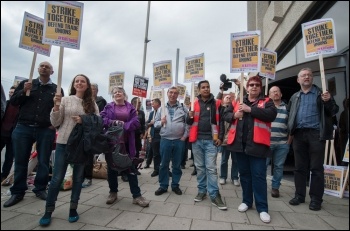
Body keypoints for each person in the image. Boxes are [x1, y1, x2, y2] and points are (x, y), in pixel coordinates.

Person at [38, 74, 99, 226]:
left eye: (83, 81)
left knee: (78, 178)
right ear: (73, 84)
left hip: (81, 145)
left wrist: (83, 119)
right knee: (57, 178)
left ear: (87, 85)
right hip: (64, 142)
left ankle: (73, 208)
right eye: (77, 81)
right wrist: (56, 106)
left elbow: (98, 123)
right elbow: (56, 122)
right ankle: (48, 210)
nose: (79, 83)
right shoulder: (65, 99)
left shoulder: (91, 103)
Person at [4, 61, 64, 208]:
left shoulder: (56, 89)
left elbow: (61, 109)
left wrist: (54, 124)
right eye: (41, 66)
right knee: (20, 161)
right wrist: (23, 91)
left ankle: (40, 188)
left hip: (45, 129)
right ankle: (17, 191)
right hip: (24, 127)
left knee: (43, 161)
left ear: (52, 72)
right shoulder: (27, 83)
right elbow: (13, 101)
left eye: (47, 67)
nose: (44, 68)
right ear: (37, 69)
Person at [223, 75, 277, 223]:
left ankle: (263, 208)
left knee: (259, 176)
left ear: (260, 88)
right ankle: (247, 201)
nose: (254, 87)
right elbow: (225, 115)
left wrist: (249, 110)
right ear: (247, 87)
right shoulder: (238, 100)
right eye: (251, 85)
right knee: (245, 175)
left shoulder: (267, 101)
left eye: (257, 85)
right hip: (240, 145)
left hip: (258, 146)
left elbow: (271, 115)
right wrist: (235, 114)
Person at [287, 67, 339, 211]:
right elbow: (290, 114)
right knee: (299, 167)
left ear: (313, 78)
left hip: (316, 134)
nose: (306, 77)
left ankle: (316, 199)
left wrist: (328, 102)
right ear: (298, 80)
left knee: (316, 168)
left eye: (309, 75)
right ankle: (299, 195)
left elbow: (334, 111)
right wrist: (290, 130)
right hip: (298, 134)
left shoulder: (322, 94)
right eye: (303, 75)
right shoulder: (295, 96)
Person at [100, 86, 149, 207]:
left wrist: (125, 125)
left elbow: (136, 123)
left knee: (131, 168)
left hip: (128, 143)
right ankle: (113, 192)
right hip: (112, 143)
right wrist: (113, 122)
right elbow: (101, 119)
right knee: (112, 168)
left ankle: (137, 195)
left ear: (124, 95)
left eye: (120, 92)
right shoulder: (108, 107)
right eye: (115, 92)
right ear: (113, 96)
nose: (117, 93)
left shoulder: (131, 108)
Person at [187, 80, 227, 210]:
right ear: (198, 90)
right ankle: (202, 191)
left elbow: (220, 121)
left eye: (207, 87)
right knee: (200, 167)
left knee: (211, 168)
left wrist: (220, 137)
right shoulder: (193, 104)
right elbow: (188, 122)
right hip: (197, 140)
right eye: (203, 87)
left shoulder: (217, 103)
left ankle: (214, 194)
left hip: (211, 140)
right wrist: (190, 116)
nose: (206, 89)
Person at [154, 86, 189, 196]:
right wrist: (161, 122)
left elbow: (188, 123)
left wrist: (184, 136)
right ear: (167, 93)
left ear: (178, 95)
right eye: (171, 92)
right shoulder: (161, 109)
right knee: (164, 164)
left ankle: (175, 185)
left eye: (175, 93)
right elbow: (155, 124)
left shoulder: (183, 108)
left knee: (177, 165)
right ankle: (163, 186)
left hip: (179, 140)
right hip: (165, 140)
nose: (173, 95)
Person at [266, 86, 292, 198]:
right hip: (267, 143)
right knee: (262, 166)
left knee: (279, 166)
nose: (275, 93)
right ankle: (261, 186)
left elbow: (292, 126)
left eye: (277, 91)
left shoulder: (287, 108)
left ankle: (275, 188)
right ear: (269, 95)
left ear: (281, 94)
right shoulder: (266, 108)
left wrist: (289, 142)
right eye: (272, 92)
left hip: (282, 143)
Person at [82, 83, 107, 188]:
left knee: (88, 155)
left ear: (97, 90)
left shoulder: (101, 101)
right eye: (90, 89)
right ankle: (79, 176)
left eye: (94, 89)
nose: (92, 91)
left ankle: (88, 177)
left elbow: (101, 116)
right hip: (82, 129)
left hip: (93, 131)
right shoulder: (82, 99)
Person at [218, 94, 240, 186]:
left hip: (235, 139)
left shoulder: (236, 109)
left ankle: (234, 177)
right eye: (226, 97)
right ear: (223, 99)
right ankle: (223, 176)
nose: (229, 98)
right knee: (224, 160)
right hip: (225, 139)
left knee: (235, 160)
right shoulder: (221, 109)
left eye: (230, 97)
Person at [1, 86, 19, 183]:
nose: (11, 94)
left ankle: (4, 176)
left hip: (12, 135)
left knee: (9, 157)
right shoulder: (5, 104)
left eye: (13, 92)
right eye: (10, 92)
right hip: (2, 133)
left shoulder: (21, 107)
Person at [145, 98, 162, 177]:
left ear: (158, 104)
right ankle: (156, 169)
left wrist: (155, 122)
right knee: (155, 153)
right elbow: (148, 123)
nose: (152, 104)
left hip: (162, 134)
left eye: (153, 103)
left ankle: (165, 169)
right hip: (154, 135)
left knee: (163, 153)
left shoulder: (163, 111)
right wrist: (149, 123)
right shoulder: (152, 113)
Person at [131, 96, 146, 175]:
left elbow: (143, 124)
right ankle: (128, 168)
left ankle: (135, 168)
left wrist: (142, 132)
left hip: (137, 135)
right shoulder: (129, 110)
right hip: (130, 135)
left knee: (137, 151)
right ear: (133, 103)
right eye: (138, 102)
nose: (140, 104)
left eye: (140, 102)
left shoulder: (141, 113)